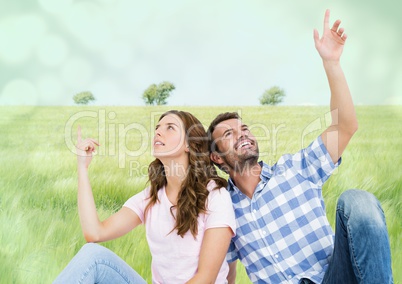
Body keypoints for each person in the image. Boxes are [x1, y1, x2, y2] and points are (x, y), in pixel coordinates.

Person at [207, 10, 393, 284]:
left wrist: (331, 63)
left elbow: (345, 127)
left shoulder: (297, 169)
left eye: (244, 128)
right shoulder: (223, 208)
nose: (242, 134)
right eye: (229, 134)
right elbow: (223, 269)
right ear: (217, 157)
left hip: (333, 278)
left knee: (358, 201)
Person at [54, 110, 236, 283]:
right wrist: (82, 168)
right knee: (92, 255)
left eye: (170, 127)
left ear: (190, 143)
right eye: (157, 128)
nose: (158, 132)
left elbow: (207, 278)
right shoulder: (150, 198)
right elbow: (94, 233)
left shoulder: (215, 196)